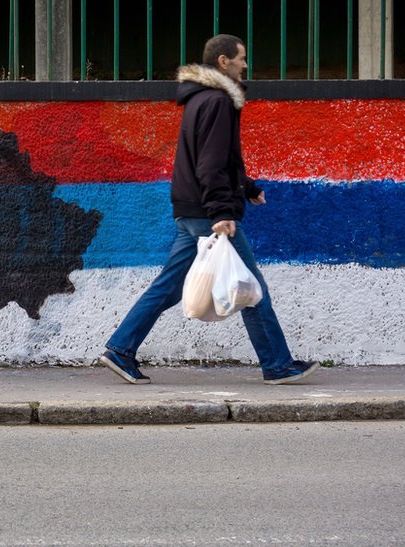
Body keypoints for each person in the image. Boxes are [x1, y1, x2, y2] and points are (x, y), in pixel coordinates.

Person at [99, 34, 319, 386]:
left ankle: (120, 349)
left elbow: (218, 159)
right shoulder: (218, 101)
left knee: (168, 287)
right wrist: (221, 212)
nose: (245, 65)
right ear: (223, 61)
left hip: (190, 209)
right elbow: (211, 163)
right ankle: (277, 365)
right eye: (241, 58)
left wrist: (248, 188)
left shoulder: (199, 99)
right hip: (207, 213)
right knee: (251, 287)